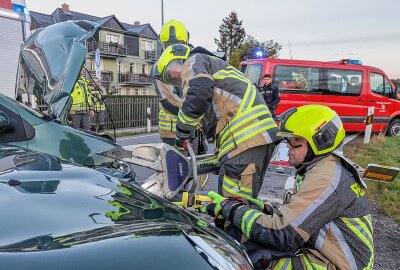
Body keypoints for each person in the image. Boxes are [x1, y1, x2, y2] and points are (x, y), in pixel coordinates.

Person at [201, 105, 374, 269]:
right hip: (329, 253)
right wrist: (259, 208)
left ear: (320, 141)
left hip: (339, 264)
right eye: (288, 139)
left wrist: (229, 208)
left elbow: (283, 235)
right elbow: (297, 217)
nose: (288, 146)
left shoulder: (325, 178)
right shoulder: (323, 166)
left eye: (296, 140)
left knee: (250, 256)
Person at [157, 44, 279, 200]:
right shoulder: (216, 67)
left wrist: (182, 132)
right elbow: (219, 109)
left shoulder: (193, 61)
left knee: (233, 206)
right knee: (245, 203)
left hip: (245, 138)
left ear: (176, 61)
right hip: (257, 137)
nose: (175, 76)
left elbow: (198, 94)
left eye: (170, 72)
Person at [152, 19, 189, 146]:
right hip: (172, 131)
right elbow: (169, 99)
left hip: (191, 129)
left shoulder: (189, 63)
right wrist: (194, 112)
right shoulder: (160, 66)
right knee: (176, 165)